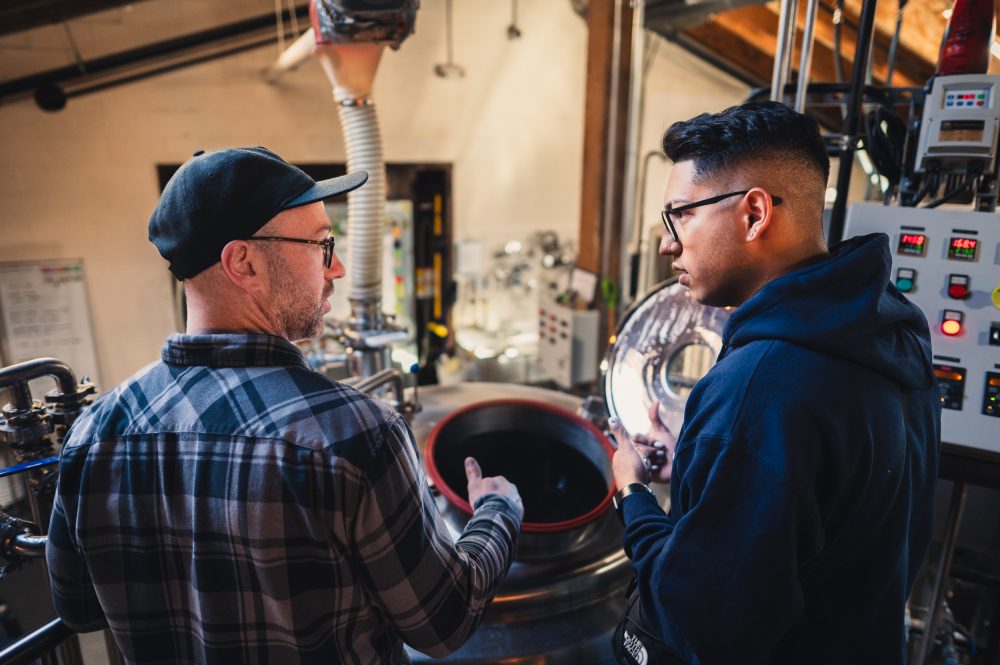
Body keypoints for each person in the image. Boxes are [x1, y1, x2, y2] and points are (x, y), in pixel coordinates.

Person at [46, 147, 524, 665]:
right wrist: (497, 511)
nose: (337, 268)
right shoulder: (355, 435)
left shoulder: (94, 433)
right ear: (243, 262)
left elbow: (80, 610)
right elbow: (441, 623)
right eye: (321, 245)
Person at [609, 102, 940, 665]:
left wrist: (634, 496)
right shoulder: (890, 330)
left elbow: (698, 624)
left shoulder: (759, 387)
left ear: (755, 214)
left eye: (680, 216)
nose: (668, 244)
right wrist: (701, 463)